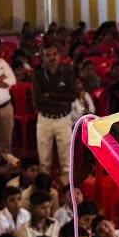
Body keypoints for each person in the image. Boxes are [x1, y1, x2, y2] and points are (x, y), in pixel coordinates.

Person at [32, 42, 77, 178]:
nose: (52, 58)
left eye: (54, 54)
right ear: (42, 58)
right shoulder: (38, 73)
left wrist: (50, 95)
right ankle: (45, 189)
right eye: (48, 55)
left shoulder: (68, 71)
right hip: (44, 119)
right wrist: (60, 97)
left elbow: (72, 96)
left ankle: (66, 190)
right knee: (44, 162)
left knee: (66, 161)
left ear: (60, 55)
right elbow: (38, 100)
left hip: (64, 119)